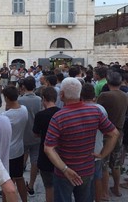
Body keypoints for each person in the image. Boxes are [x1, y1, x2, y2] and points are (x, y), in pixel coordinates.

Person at [44, 77, 119, 202]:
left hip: (64, 173)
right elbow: (114, 134)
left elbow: (48, 148)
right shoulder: (95, 111)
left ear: (61, 94)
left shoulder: (59, 117)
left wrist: (65, 169)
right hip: (87, 169)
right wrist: (102, 154)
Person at [97, 71, 128, 199]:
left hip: (106, 133)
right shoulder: (125, 95)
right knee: (116, 163)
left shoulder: (105, 95)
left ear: (108, 82)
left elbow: (97, 110)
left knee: (104, 163)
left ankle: (104, 193)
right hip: (119, 132)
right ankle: (116, 188)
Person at [80, 83, 107, 202]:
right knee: (97, 177)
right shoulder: (101, 109)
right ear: (94, 95)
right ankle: (98, 199)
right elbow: (108, 130)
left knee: (83, 182)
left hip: (82, 151)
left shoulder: (78, 109)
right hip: (97, 149)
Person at [33, 87, 60, 202]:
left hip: (46, 155)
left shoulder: (40, 115)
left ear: (43, 99)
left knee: (48, 187)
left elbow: (36, 134)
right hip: (60, 154)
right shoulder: (61, 112)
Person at [2, 85, 28, 202]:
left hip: (8, 151)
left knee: (6, 181)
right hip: (19, 149)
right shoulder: (24, 109)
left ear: (6, 98)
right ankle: (24, 200)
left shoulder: (5, 116)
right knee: (19, 177)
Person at [18, 76, 42, 197]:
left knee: (21, 159)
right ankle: (31, 185)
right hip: (36, 135)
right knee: (35, 160)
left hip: (23, 134)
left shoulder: (20, 100)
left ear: (23, 87)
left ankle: (19, 183)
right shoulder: (39, 100)